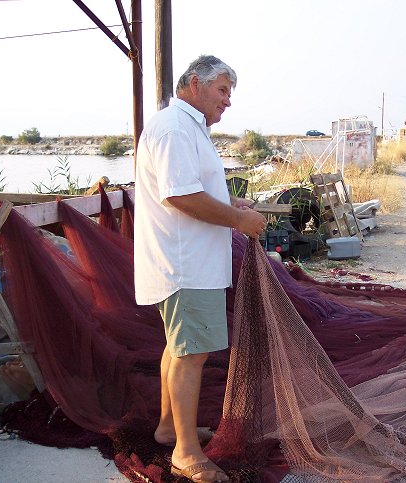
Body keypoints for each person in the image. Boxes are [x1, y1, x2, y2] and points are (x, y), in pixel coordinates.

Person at [134, 55, 266, 483]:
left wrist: (230, 203)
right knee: (191, 354)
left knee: (179, 348)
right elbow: (181, 196)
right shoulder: (175, 127)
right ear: (195, 83)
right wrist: (239, 220)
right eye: (222, 90)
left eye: (229, 93)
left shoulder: (185, 126)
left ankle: (169, 428)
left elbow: (192, 189)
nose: (227, 101)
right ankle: (186, 453)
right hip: (185, 265)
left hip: (187, 263)